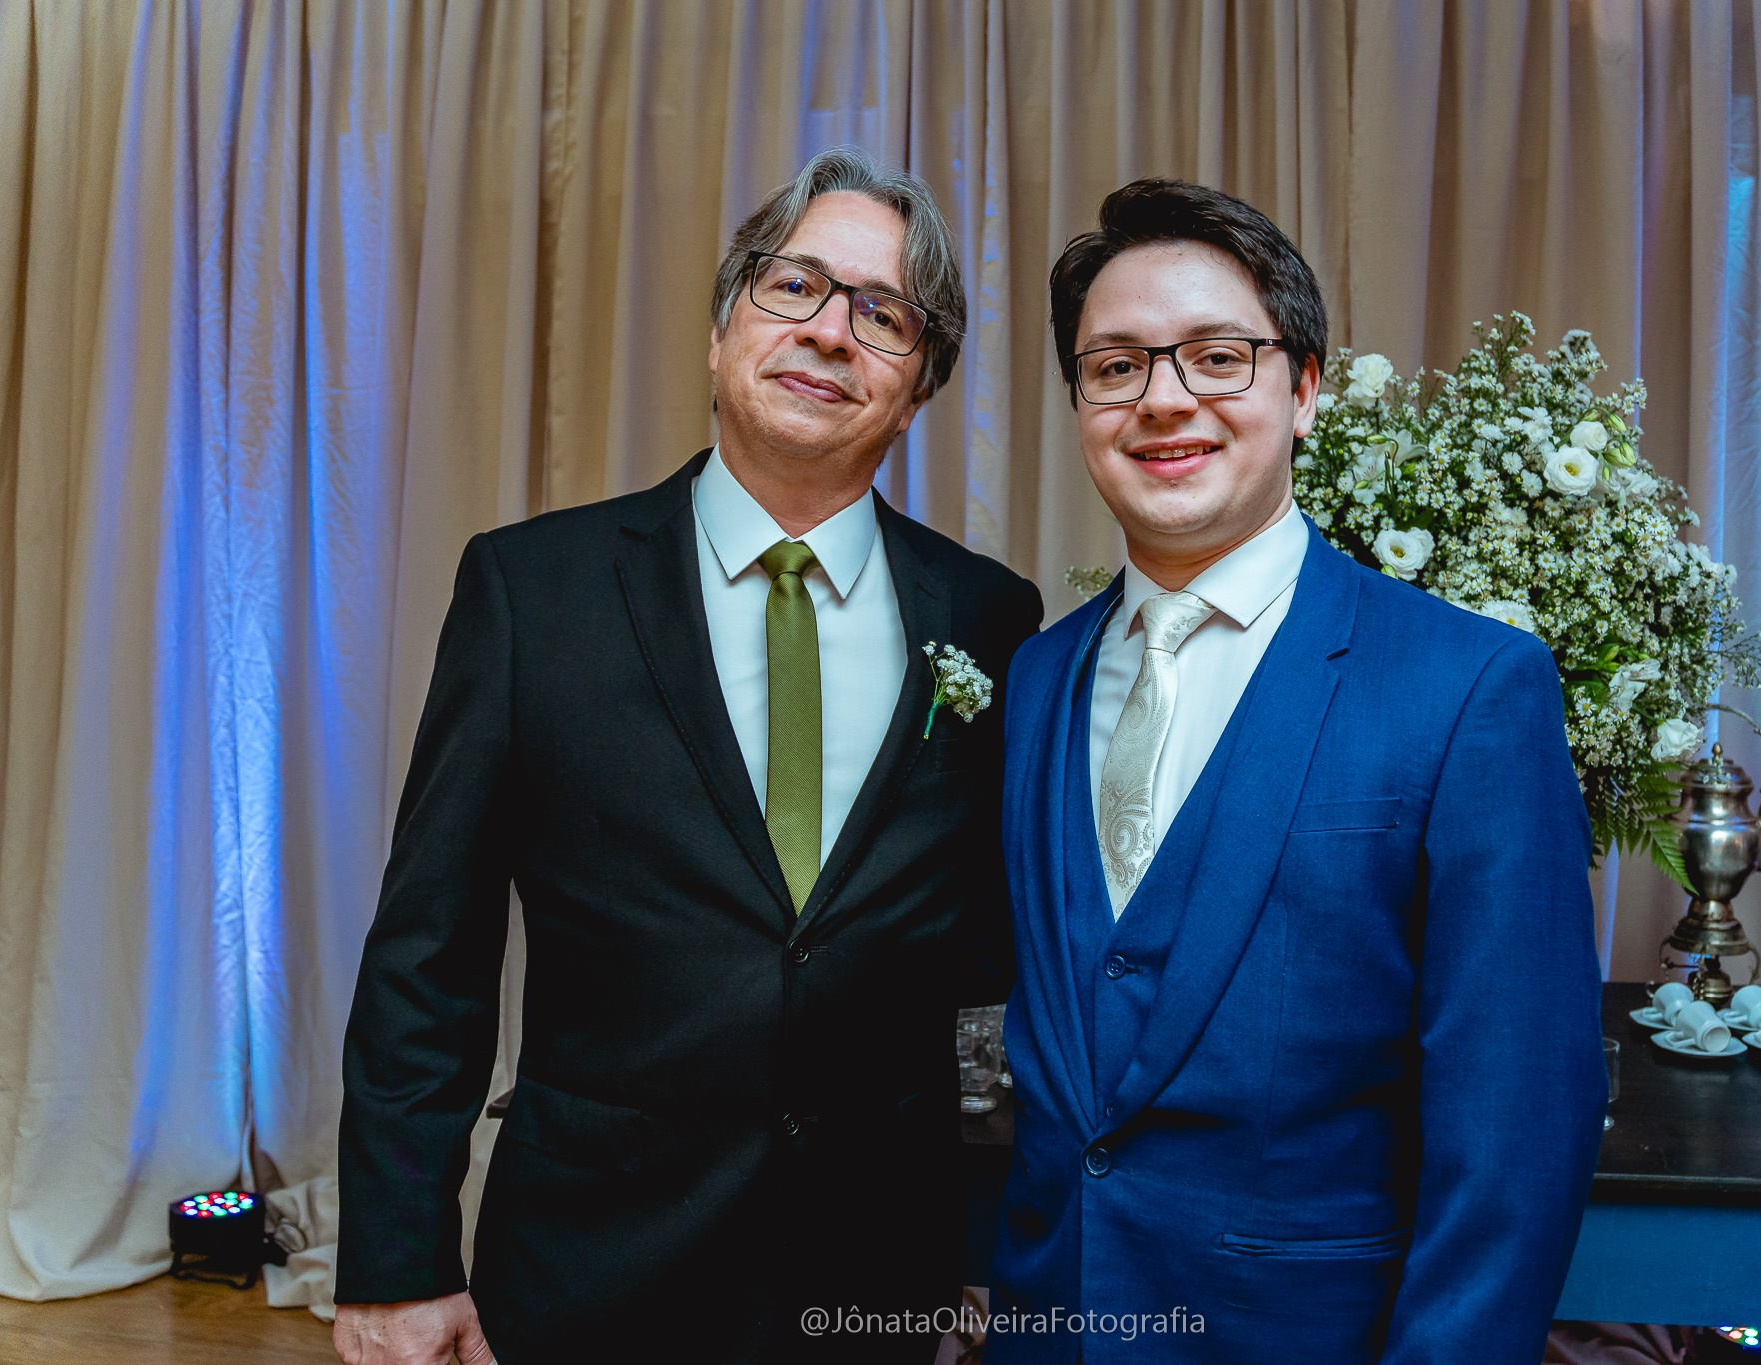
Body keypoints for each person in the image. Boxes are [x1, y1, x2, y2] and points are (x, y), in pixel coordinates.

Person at [332, 147, 1043, 1365]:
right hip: (588, 1258)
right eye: (795, 287)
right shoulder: (530, 591)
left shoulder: (990, 619)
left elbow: (988, 981)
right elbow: (428, 952)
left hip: (875, 1276)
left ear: (919, 385)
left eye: (884, 316)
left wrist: (982, 1253)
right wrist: (396, 1261)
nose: (831, 333)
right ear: (722, 332)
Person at [989, 180, 1606, 1362]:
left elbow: (1517, 1122)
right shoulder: (1038, 678)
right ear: (1078, 404)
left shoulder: (1467, 685)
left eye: (1217, 357)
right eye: (1113, 367)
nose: (1162, 399)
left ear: (1305, 385)